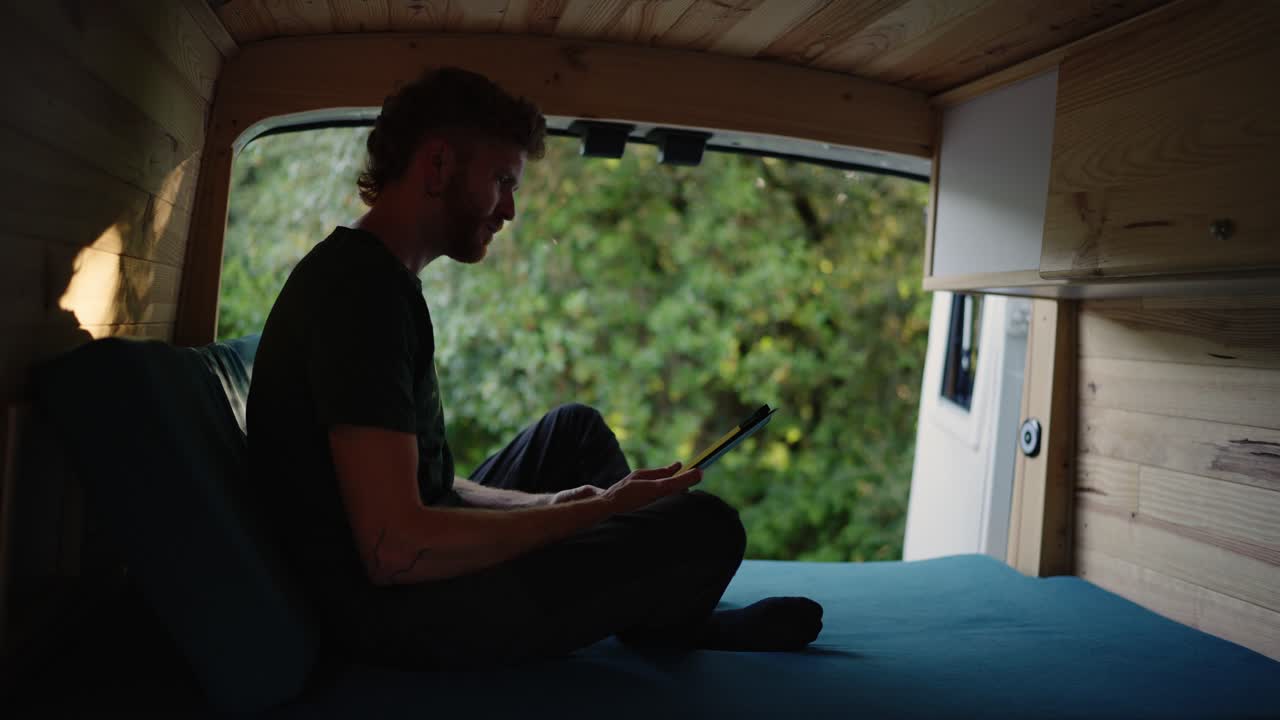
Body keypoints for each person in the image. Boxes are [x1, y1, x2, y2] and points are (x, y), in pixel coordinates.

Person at [247, 66, 823, 670]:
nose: (511, 209)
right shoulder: (359, 296)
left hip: (404, 573)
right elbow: (396, 548)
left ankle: (649, 601)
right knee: (707, 527)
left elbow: (427, 482)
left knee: (575, 432)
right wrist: (593, 514)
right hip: (396, 617)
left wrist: (554, 506)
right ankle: (663, 618)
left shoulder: (377, 280)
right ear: (438, 165)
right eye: (501, 180)